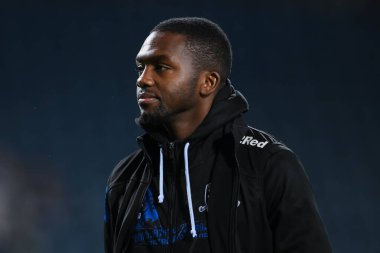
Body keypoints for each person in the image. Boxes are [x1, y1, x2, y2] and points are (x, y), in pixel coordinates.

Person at [104, 17, 332, 253]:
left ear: (208, 82)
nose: (143, 79)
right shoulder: (124, 179)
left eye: (161, 67)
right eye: (140, 68)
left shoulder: (266, 166)